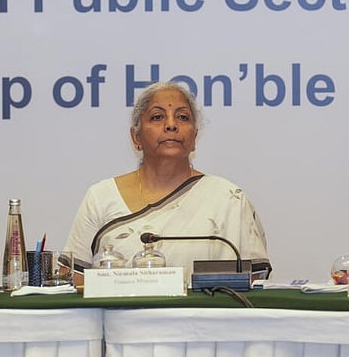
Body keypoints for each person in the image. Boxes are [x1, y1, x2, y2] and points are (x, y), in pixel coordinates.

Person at [64, 81, 270, 278]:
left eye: (182, 117)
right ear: (136, 137)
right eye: (157, 117)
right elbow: (74, 280)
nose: (171, 125)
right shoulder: (101, 196)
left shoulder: (228, 199)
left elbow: (253, 280)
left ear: (194, 138)